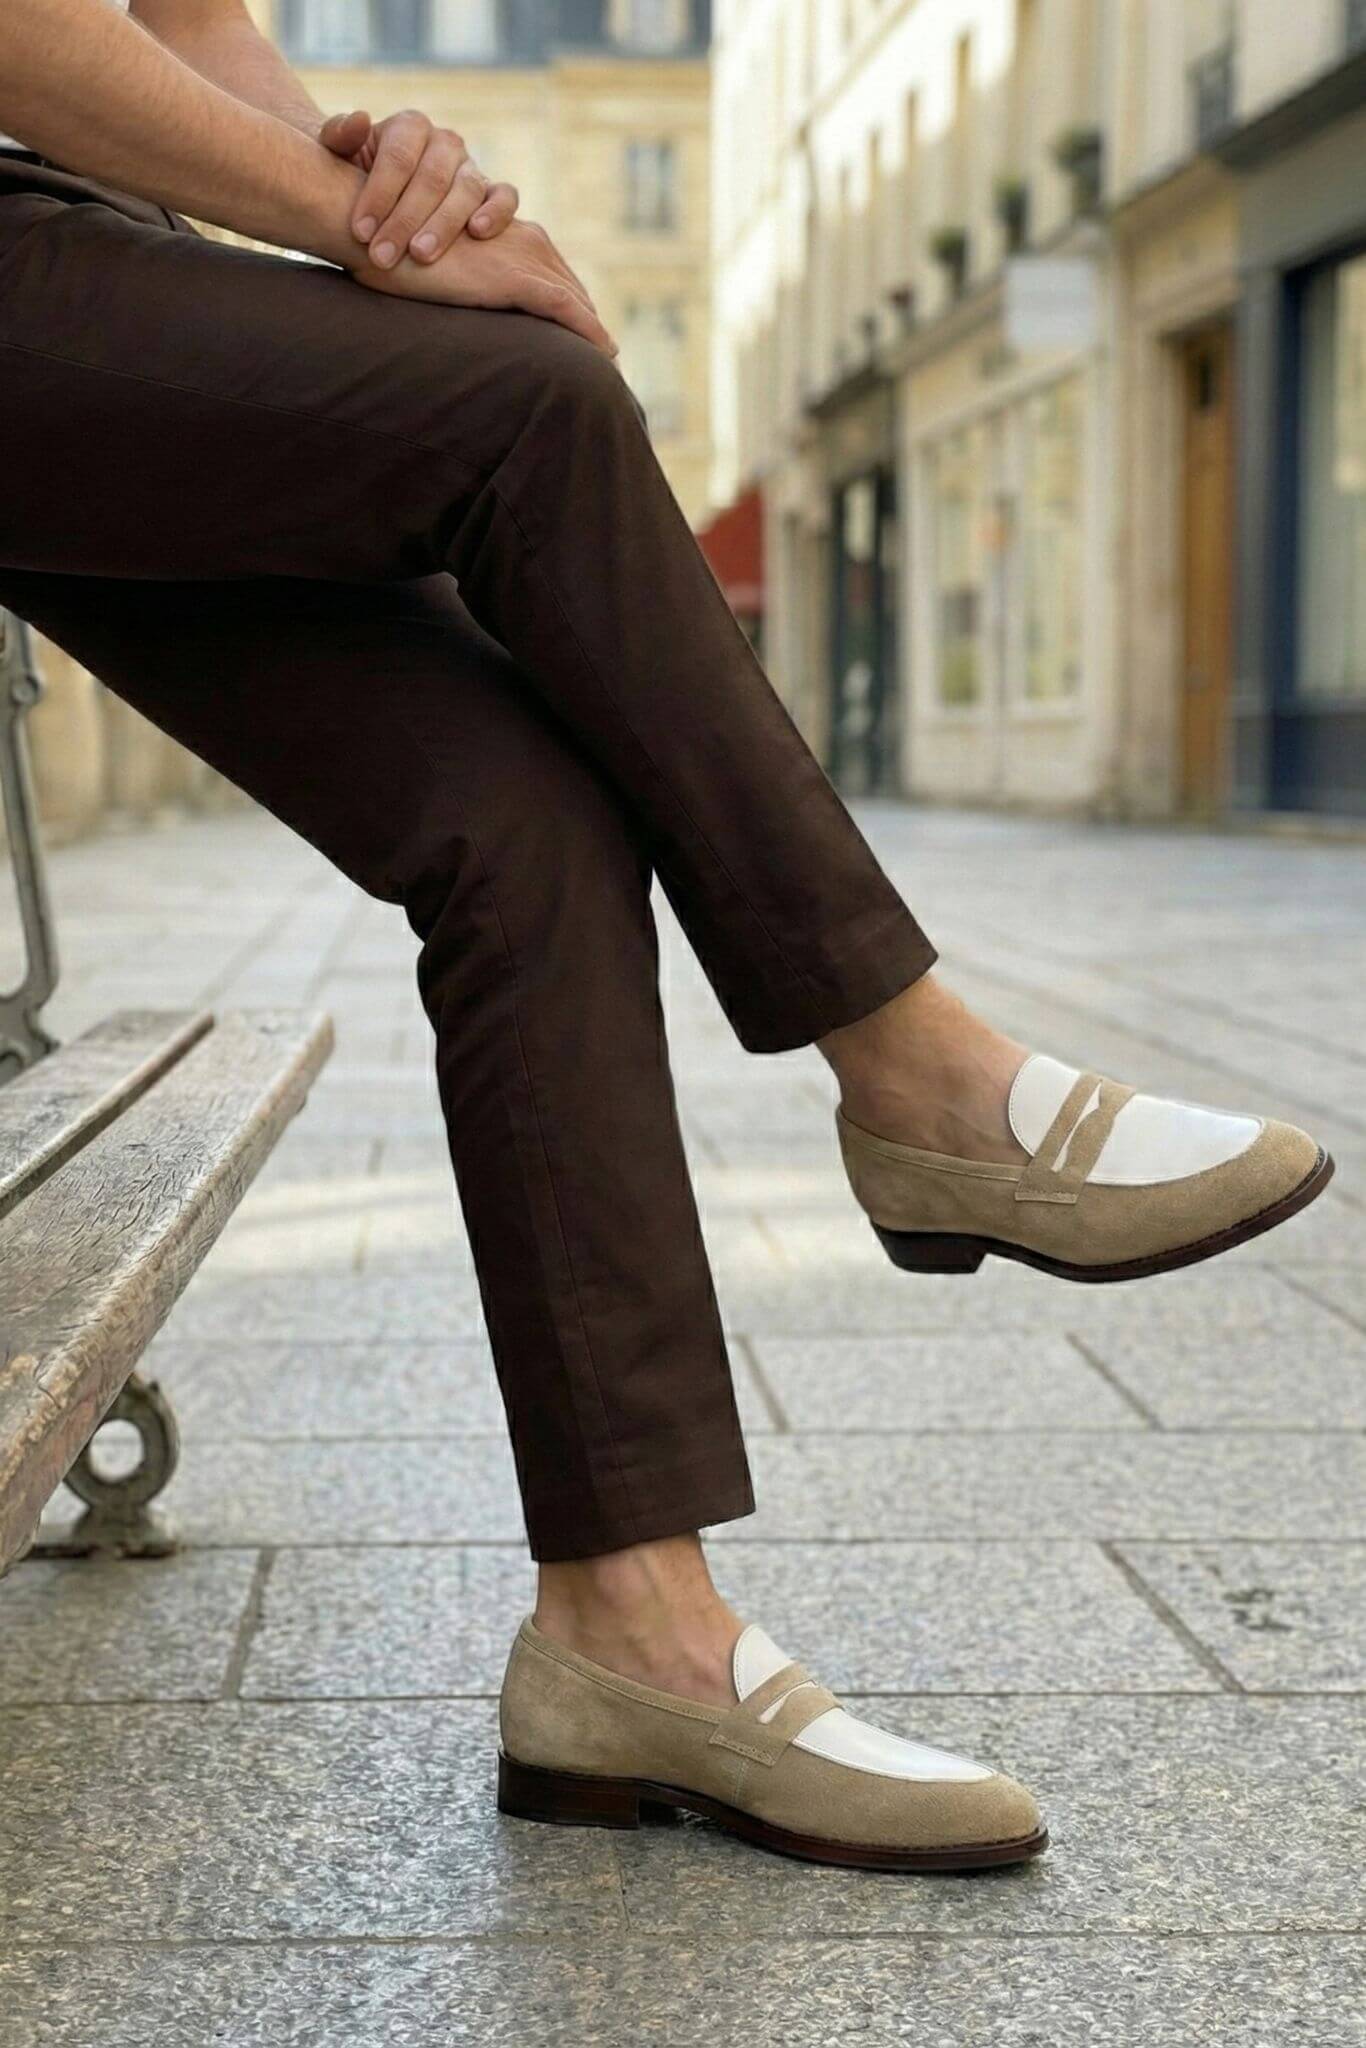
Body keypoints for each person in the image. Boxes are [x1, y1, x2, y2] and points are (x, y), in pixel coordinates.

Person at [0, 0, 1332, 1875]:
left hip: (81, 244)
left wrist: (371, 196)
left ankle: (633, 1640)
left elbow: (180, 16)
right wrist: (351, 223)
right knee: (532, 404)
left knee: (523, 822)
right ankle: (926, 1080)